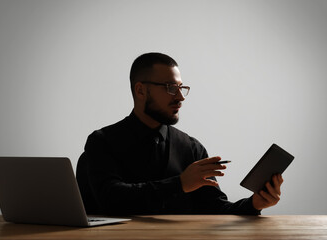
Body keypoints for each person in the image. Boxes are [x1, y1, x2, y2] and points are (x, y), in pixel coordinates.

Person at [76, 52, 283, 215]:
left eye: (181, 88)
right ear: (140, 91)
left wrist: (254, 204)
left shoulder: (191, 148)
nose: (180, 97)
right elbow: (111, 199)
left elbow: (216, 210)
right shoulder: (102, 142)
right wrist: (180, 183)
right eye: (170, 88)